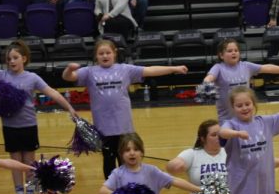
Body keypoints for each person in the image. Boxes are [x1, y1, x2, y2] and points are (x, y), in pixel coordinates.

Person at [0, 41, 78, 194]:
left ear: (24, 58)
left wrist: (70, 108)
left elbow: (52, 92)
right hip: (10, 127)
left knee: (29, 163)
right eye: (9, 59)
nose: (12, 61)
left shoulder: (32, 78)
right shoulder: (3, 75)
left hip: (28, 125)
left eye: (15, 58)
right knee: (15, 163)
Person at [63, 39, 187, 179]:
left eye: (108, 52)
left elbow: (149, 70)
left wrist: (174, 69)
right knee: (108, 160)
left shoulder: (125, 69)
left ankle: (127, 185)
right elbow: (69, 77)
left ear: (114, 53)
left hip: (124, 127)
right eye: (101, 53)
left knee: (126, 158)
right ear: (96, 56)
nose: (105, 56)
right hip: (104, 127)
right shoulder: (89, 72)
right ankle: (112, 188)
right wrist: (70, 69)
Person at [203, 39, 279, 124]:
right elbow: (210, 77)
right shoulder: (218, 68)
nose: (233, 53)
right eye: (229, 51)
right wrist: (207, 83)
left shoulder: (246, 66)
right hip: (227, 121)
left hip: (247, 118)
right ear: (221, 55)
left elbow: (267, 67)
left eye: (236, 50)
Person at [165, 120, 227, 194]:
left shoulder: (229, 151)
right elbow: (171, 166)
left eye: (220, 134)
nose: (218, 137)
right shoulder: (192, 153)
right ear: (203, 138)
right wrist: (175, 165)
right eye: (214, 135)